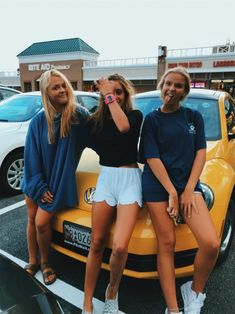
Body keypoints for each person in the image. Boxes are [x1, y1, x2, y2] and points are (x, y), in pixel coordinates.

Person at [139, 67, 220, 314]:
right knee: (167, 243)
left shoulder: (193, 117)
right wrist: (171, 192)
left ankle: (194, 292)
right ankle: (173, 309)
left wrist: (186, 190)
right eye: (168, 84)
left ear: (185, 91)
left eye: (178, 86)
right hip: (158, 185)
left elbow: (200, 153)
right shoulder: (152, 119)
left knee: (210, 243)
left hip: (187, 187)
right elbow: (151, 157)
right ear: (161, 86)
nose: (171, 89)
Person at [23, 69, 90, 285]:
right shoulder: (38, 122)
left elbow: (100, 135)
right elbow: (31, 156)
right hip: (36, 180)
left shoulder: (78, 115)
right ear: (46, 92)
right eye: (55, 87)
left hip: (58, 182)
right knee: (32, 219)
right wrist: (39, 187)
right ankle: (33, 261)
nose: (62, 89)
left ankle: (45, 263)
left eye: (63, 85)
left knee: (42, 223)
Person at [82, 74, 143, 314]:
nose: (114, 96)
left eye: (119, 92)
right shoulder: (94, 122)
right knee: (96, 243)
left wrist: (108, 96)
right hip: (106, 180)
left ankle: (112, 291)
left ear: (125, 95)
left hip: (129, 181)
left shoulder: (134, 117)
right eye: (110, 92)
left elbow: (123, 127)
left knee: (119, 247)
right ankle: (87, 302)